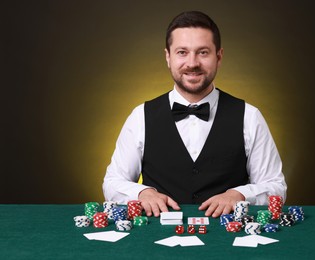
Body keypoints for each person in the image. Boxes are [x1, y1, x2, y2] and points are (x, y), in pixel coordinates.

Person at [103, 11, 287, 218]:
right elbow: (112, 183)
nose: (192, 63)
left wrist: (241, 194)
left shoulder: (249, 116)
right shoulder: (140, 116)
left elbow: (275, 186)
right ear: (168, 57)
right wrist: (141, 192)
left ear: (219, 57)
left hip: (227, 242)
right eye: (182, 52)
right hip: (154, 240)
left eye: (203, 52)